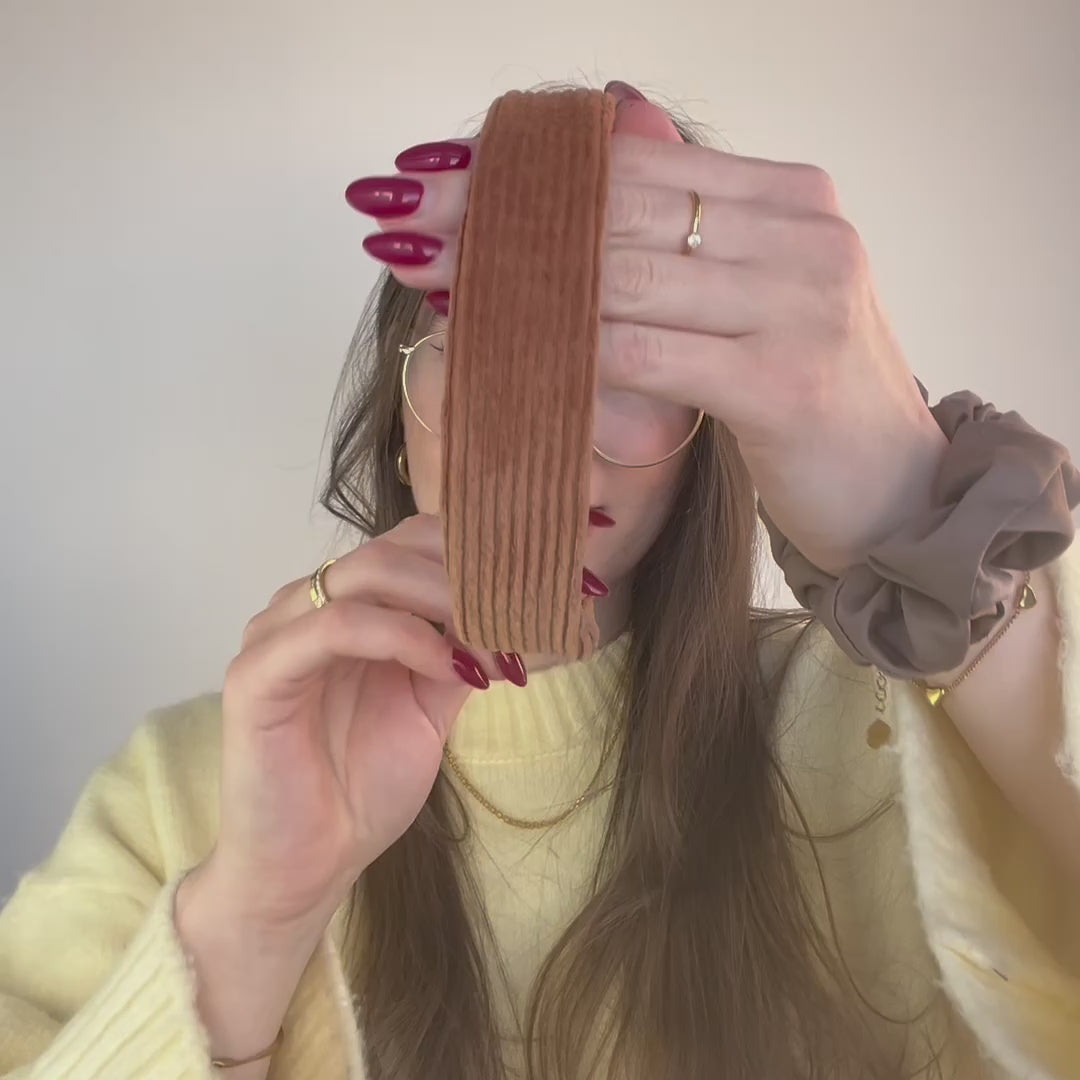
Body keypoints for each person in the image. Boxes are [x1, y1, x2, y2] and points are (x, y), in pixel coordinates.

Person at [1, 79, 1078, 1080]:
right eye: (487, 334)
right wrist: (250, 922)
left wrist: (928, 527)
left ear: (712, 423)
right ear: (400, 402)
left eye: (624, 347)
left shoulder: (901, 733)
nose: (551, 417)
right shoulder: (183, 792)